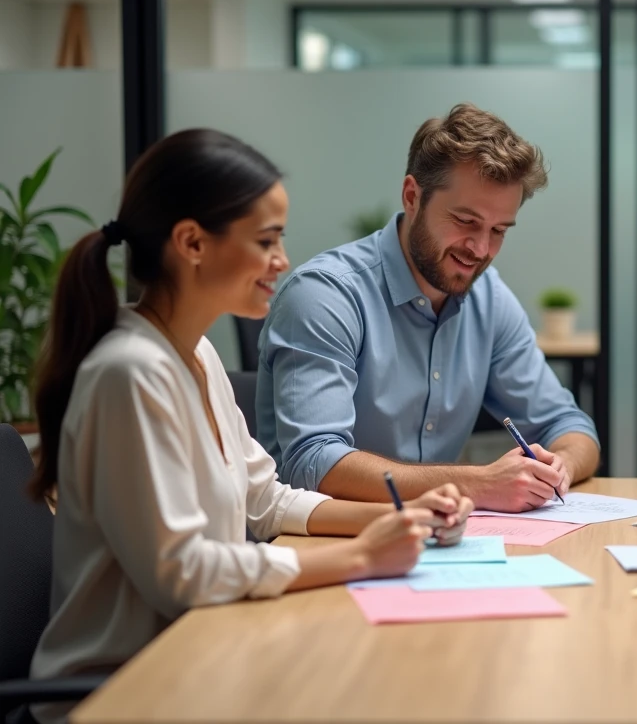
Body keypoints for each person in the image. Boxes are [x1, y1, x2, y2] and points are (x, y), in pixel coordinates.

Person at [28, 129, 472, 723]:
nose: (282, 262)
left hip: (202, 658)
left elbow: (262, 500)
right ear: (191, 243)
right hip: (127, 692)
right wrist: (362, 558)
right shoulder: (129, 375)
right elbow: (183, 574)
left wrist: (395, 519)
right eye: (265, 241)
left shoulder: (195, 353)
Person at [257, 103, 599, 512]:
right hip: (321, 544)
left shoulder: (487, 298)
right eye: (465, 221)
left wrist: (557, 467)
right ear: (412, 196)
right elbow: (312, 462)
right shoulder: (326, 295)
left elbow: (571, 426)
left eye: (498, 231)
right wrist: (476, 483)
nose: (480, 249)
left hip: (435, 540)